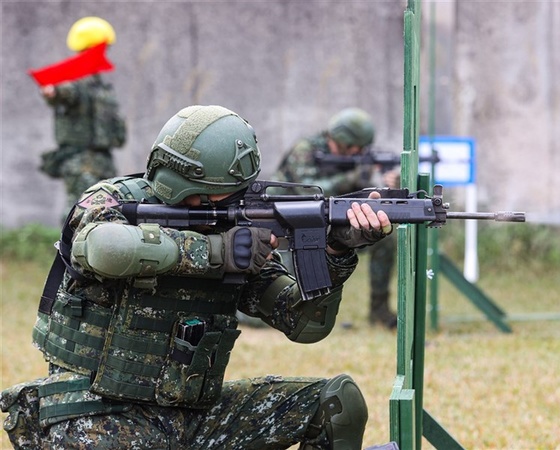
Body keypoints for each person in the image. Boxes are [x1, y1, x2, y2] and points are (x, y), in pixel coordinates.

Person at [0, 105, 394, 449]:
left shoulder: (241, 225)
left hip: (189, 418)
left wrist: (335, 252)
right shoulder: (112, 202)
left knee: (334, 402)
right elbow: (106, 249)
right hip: (95, 416)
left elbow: (305, 324)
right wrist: (218, 253)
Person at [272, 107, 399, 328]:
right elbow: (309, 193)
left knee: (386, 240)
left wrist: (386, 185)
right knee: (279, 300)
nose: (355, 153)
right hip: (284, 226)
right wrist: (353, 177)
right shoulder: (305, 150)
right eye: (351, 148)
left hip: (328, 226)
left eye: (360, 149)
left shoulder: (356, 159)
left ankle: (379, 311)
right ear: (340, 140)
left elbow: (359, 198)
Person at [38, 16, 126, 217]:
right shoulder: (75, 80)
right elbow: (64, 91)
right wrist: (53, 91)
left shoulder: (98, 85)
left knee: (106, 213)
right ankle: (67, 249)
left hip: (102, 162)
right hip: (81, 164)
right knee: (79, 214)